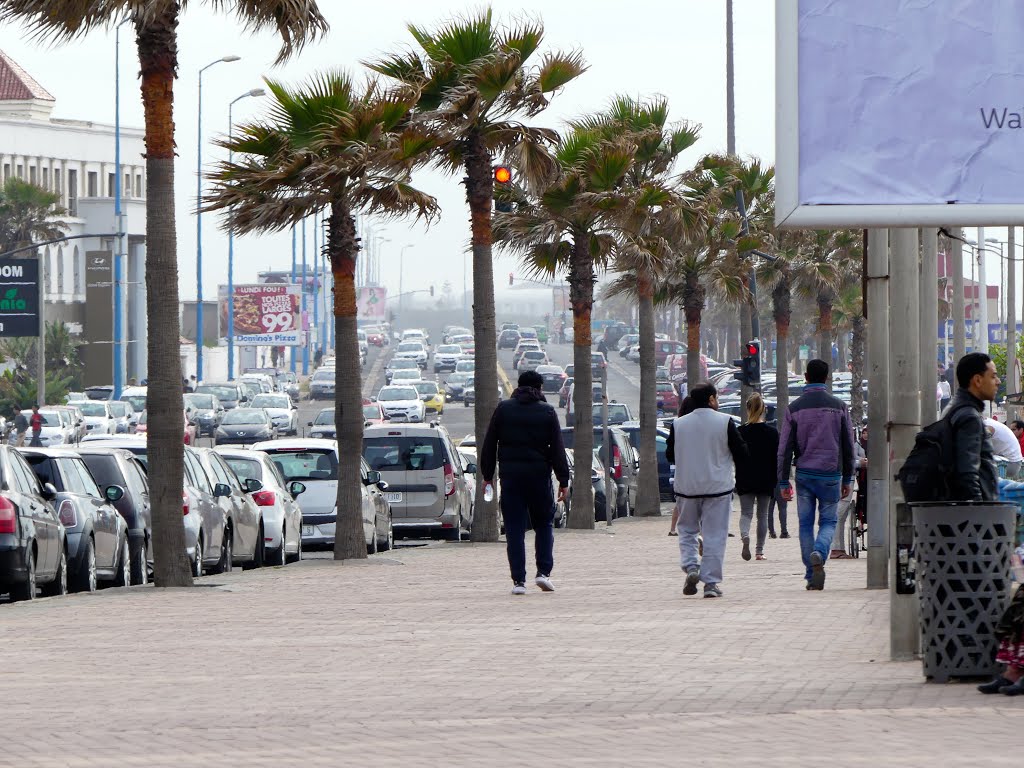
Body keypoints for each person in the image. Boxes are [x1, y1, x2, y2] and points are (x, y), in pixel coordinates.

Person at [480, 369, 570, 595]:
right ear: (539, 388)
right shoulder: (548, 412)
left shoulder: (503, 409)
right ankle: (543, 573)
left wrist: (487, 475)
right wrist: (563, 480)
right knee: (544, 524)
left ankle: (518, 581)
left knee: (514, 528)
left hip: (511, 477)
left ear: (518, 386)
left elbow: (490, 443)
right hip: (539, 476)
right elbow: (558, 450)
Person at [778, 359, 855, 591]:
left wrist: (783, 480)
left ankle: (811, 573)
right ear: (827, 378)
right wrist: (848, 478)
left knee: (805, 524)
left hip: (804, 475)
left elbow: (784, 448)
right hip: (831, 474)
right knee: (829, 521)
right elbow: (848, 445)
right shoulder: (839, 406)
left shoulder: (794, 409)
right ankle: (820, 553)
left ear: (806, 376)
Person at [670, 383, 748, 599]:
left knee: (686, 530)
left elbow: (670, 455)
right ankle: (711, 583)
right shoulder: (724, 422)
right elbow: (741, 453)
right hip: (718, 488)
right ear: (712, 399)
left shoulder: (678, 424)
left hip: (687, 487)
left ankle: (691, 566)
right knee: (715, 535)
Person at [946, 353, 1000, 501]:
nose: (998, 381)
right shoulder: (969, 417)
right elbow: (967, 473)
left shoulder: (957, 409)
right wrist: (979, 510)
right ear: (977, 380)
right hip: (973, 519)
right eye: (993, 376)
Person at [736, 393, 778, 561]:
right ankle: (759, 551)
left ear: (747, 409)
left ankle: (745, 536)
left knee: (746, 513)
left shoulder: (740, 431)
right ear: (764, 410)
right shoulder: (772, 433)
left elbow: (735, 455)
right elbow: (777, 457)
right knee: (763, 515)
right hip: (766, 477)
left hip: (745, 476)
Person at [665, 396, 695, 536]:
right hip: (693, 468)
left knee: (680, 501)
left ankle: (672, 528)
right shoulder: (692, 425)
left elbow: (670, 452)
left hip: (680, 469)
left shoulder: (678, 424)